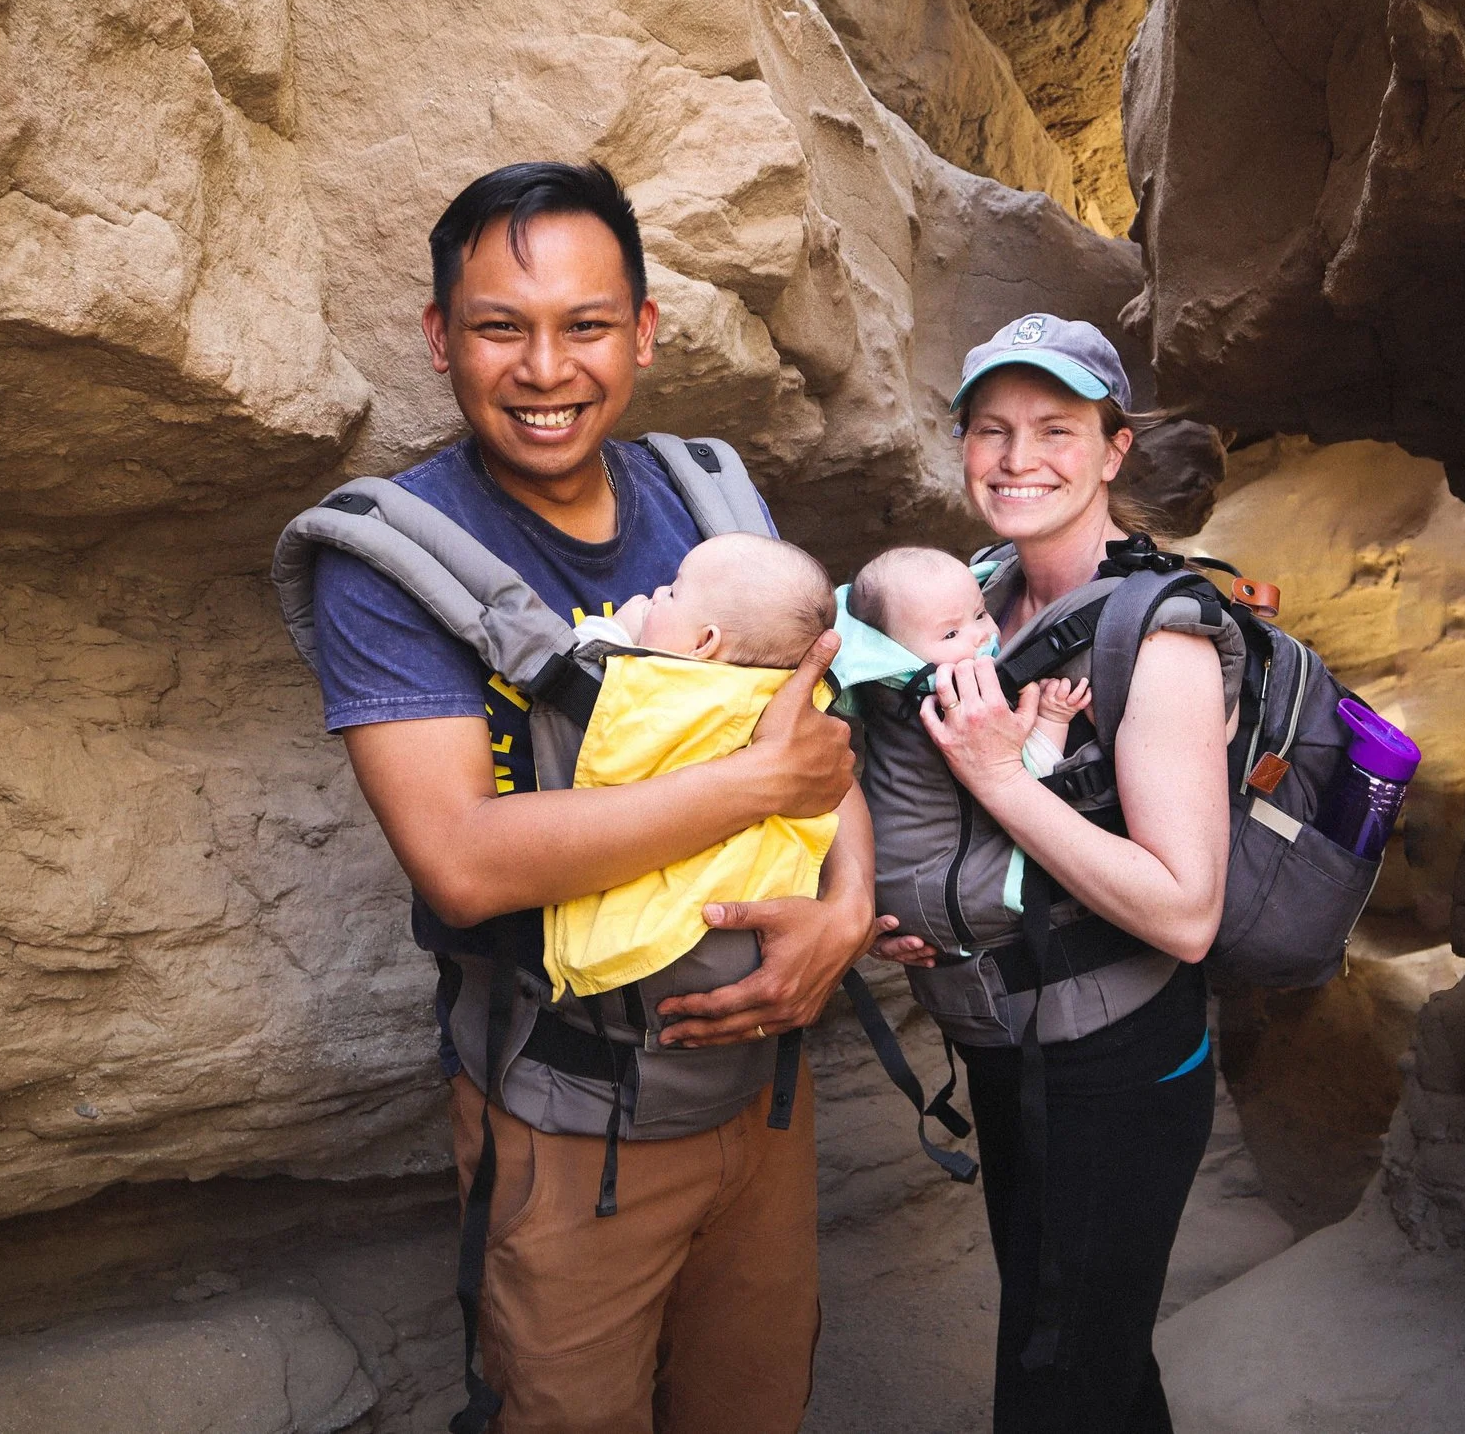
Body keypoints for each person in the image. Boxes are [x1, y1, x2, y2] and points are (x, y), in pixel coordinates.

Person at [305, 161, 880, 1434]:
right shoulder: (393, 557)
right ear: (440, 337)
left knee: (755, 1397)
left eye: (585, 324)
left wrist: (849, 904)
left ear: (644, 330)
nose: (545, 368)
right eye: (499, 326)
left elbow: (815, 727)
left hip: (762, 1083)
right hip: (567, 1117)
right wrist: (753, 783)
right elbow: (464, 859)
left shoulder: (712, 505)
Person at [865, 314, 1239, 1434]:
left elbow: (1186, 911)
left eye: (1054, 428)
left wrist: (1000, 775)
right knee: (1086, 1351)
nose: (1015, 456)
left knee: (1057, 1369)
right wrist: (903, 911)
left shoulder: (1158, 638)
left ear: (1115, 448)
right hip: (1006, 1042)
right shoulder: (968, 599)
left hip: (1117, 1062)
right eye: (990, 428)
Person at [548, 534, 843, 1001]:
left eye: (671, 592)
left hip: (657, 924)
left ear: (704, 643)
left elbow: (612, 750)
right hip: (747, 921)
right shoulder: (782, 695)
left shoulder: (663, 693)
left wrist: (616, 633)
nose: (654, 594)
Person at [840, 544, 1091, 779]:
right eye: (951, 634)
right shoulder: (954, 705)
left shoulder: (877, 692)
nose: (982, 634)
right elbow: (1032, 778)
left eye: (980, 614)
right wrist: (1052, 718)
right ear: (894, 654)